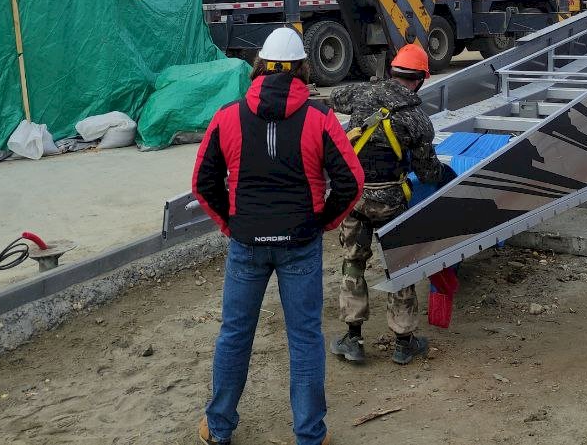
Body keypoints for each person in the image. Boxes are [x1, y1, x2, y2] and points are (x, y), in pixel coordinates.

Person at [192, 27, 364, 445]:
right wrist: (323, 220)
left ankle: (218, 429)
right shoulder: (319, 119)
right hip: (299, 244)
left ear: (260, 67)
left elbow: (203, 181)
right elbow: (351, 181)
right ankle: (309, 434)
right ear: (303, 69)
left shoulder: (228, 116)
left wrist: (231, 223)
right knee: (305, 338)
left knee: (234, 334)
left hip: (247, 244)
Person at [328, 42, 453, 366]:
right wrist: (448, 175)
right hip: (391, 202)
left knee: (353, 262)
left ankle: (353, 339)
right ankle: (403, 342)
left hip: (355, 197)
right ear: (421, 79)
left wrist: (368, 89)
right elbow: (427, 172)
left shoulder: (360, 95)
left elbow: (334, 98)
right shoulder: (417, 120)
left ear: (393, 71)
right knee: (399, 263)